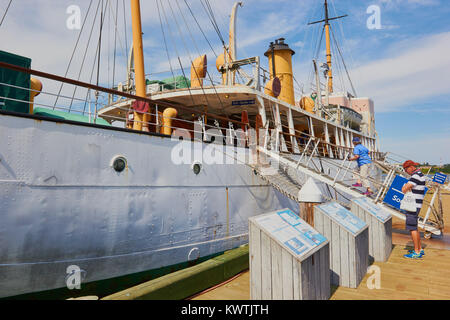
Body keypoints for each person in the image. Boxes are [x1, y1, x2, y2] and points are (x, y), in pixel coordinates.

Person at [401, 160, 426, 259]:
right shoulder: (421, 174)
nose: (406, 171)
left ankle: (416, 252)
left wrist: (405, 187)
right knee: (415, 227)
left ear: (411, 167)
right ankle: (419, 249)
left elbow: (404, 189)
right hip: (417, 205)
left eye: (406, 169)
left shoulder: (415, 176)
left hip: (413, 206)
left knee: (412, 228)